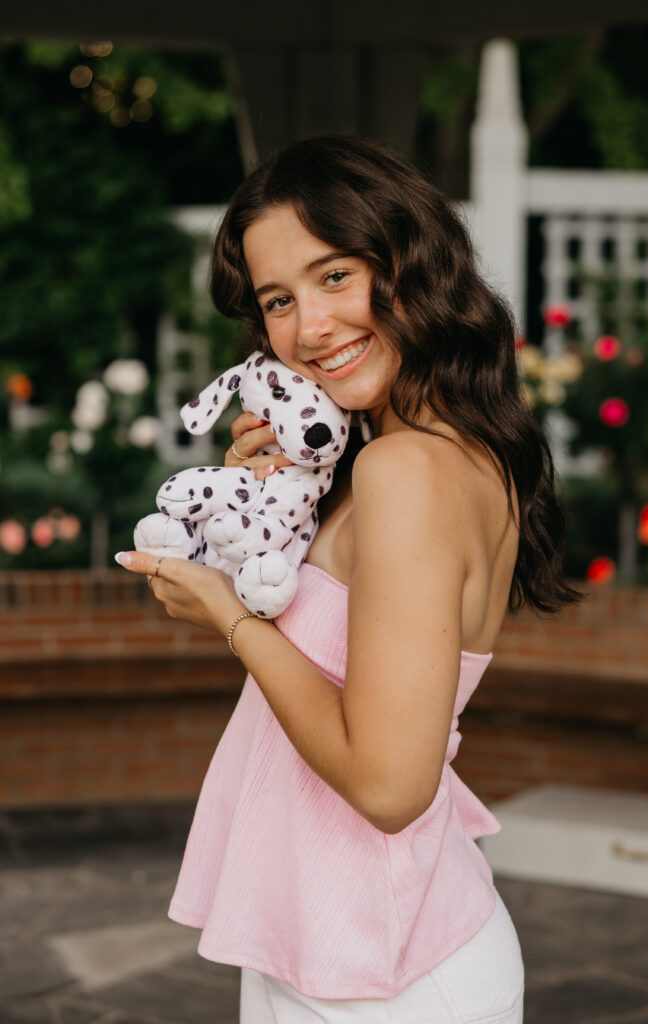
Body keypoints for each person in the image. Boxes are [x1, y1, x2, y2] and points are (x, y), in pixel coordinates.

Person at [115, 134, 583, 1023]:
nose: (309, 328)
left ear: (411, 263)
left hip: (393, 973)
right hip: (335, 944)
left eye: (335, 276)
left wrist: (229, 619)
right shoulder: (421, 456)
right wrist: (274, 500)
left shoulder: (405, 471)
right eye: (278, 300)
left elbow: (389, 788)